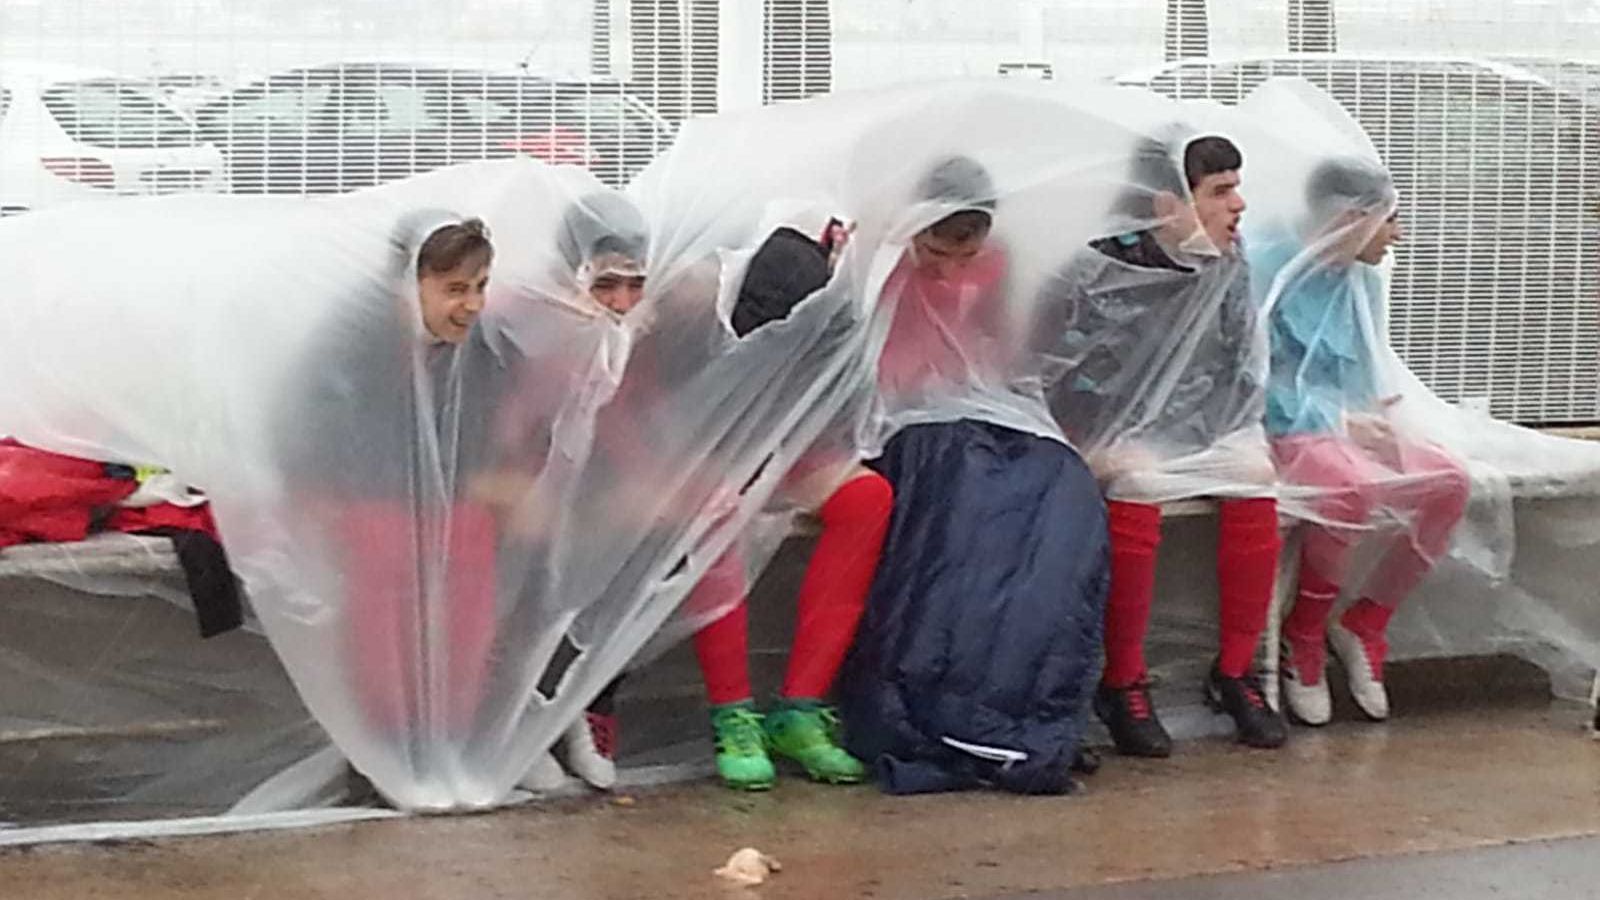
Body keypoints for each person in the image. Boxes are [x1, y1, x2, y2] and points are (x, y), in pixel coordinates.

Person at [839, 157, 1110, 796]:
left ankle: (1031, 704)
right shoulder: (876, 262)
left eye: (964, 255)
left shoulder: (996, 263)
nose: (948, 270)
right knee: (965, 515)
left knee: (1061, 490)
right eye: (936, 252)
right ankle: (947, 703)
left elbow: (1000, 346)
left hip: (977, 406)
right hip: (906, 422)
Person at [1038, 134, 1288, 756]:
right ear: (1166, 204)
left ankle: (1235, 670)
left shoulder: (1228, 258)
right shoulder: (1101, 263)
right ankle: (1122, 678)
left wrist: (1221, 426)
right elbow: (1066, 363)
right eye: (1220, 191)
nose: (1239, 205)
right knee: (1140, 484)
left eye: (1237, 187)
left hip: (1201, 423)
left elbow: (1239, 357)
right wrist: (1095, 440)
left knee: (1254, 478)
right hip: (1119, 432)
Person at [276, 213, 502, 794]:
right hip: (362, 508)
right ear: (410, 284)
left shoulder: (476, 349)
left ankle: (449, 732)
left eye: (479, 288)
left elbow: (486, 437)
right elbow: (314, 442)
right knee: (386, 556)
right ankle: (386, 742)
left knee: (474, 541)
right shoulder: (354, 345)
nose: (472, 305)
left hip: (439, 511)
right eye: (454, 289)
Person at [1250, 157, 1470, 724]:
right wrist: (1335, 420)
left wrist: (1380, 420)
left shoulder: (1362, 279)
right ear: (1352, 217)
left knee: (1448, 481)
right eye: (1390, 219)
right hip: (1282, 428)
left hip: (1341, 420)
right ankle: (1303, 634)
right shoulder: (1266, 268)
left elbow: (1368, 368)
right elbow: (1247, 375)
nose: (1398, 234)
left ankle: (1366, 622)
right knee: (1349, 489)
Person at [690, 220, 894, 791]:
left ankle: (800, 706)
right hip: (705, 458)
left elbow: (831, 409)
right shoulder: (702, 310)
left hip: (782, 445)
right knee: (717, 508)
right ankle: (732, 712)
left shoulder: (827, 307)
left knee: (866, 498)